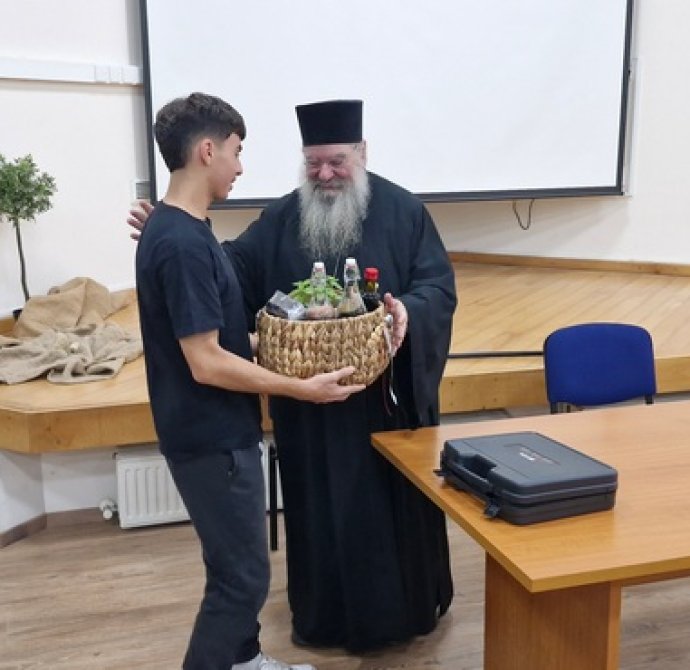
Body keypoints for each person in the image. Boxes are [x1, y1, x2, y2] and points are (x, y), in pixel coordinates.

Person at [130, 98, 457, 653]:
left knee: (383, 517)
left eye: (336, 162)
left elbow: (437, 290)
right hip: (310, 414)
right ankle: (323, 619)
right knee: (313, 522)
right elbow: (231, 274)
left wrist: (408, 311)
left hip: (381, 406)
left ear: (361, 153)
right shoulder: (283, 216)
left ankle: (397, 617)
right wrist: (174, 230)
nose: (324, 175)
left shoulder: (404, 212)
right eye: (314, 164)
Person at [135, 92, 364, 670]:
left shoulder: (181, 229)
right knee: (242, 581)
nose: (240, 166)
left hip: (213, 433)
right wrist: (301, 388)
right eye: (236, 151)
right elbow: (206, 361)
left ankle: (244, 661)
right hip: (211, 439)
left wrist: (292, 347)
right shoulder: (181, 243)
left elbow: (223, 337)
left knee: (232, 567)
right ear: (207, 151)